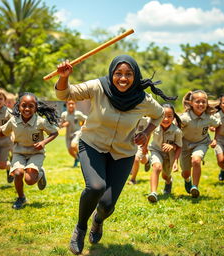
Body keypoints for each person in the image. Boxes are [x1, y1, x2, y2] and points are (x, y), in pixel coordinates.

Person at [55, 55, 177, 255]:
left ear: (135, 76)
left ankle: (97, 221)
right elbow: (65, 94)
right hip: (92, 144)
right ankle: (81, 228)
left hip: (123, 152)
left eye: (128, 74)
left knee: (107, 204)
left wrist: (146, 133)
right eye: (118, 73)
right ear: (111, 73)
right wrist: (63, 77)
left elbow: (159, 115)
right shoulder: (98, 87)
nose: (123, 78)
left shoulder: (143, 99)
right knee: (96, 187)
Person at [0, 92, 59, 209]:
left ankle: (40, 173)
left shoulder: (40, 121)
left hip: (36, 153)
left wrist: (43, 142)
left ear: (36, 107)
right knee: (18, 173)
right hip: (19, 152)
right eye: (24, 105)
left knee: (29, 180)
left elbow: (54, 132)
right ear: (18, 106)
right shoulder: (13, 120)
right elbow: (2, 133)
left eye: (31, 106)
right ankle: (21, 197)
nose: (27, 108)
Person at [179, 90, 221, 198]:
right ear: (191, 103)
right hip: (184, 145)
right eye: (197, 101)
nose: (201, 104)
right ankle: (188, 180)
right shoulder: (184, 118)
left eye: (204, 102)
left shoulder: (209, 117)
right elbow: (175, 130)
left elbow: (218, 125)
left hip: (201, 143)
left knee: (196, 160)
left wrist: (215, 139)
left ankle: (195, 187)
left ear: (207, 103)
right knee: (185, 173)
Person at [147, 104, 182, 202]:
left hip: (169, 156)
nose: (166, 119)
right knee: (157, 167)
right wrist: (145, 148)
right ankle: (153, 193)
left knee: (165, 175)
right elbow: (147, 134)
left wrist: (175, 162)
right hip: (156, 150)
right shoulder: (154, 125)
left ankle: (168, 181)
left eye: (169, 116)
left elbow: (179, 147)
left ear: (174, 117)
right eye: (163, 116)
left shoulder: (177, 131)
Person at [0, 88, 13, 183]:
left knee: (1, 166)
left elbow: (14, 126)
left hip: (5, 140)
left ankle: (9, 167)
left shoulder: (8, 112)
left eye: (0, 99)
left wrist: (13, 136)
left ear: (5, 101)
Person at [60, 100, 87, 167]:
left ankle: (81, 157)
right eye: (69, 104)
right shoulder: (64, 114)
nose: (71, 105)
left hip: (77, 133)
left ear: (75, 105)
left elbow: (86, 119)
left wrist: (83, 127)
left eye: (72, 104)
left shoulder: (78, 113)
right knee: (70, 151)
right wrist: (64, 124)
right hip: (68, 134)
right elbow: (61, 125)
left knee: (73, 145)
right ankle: (77, 158)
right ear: (66, 105)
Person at [127, 116, 151, 185]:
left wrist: (145, 146)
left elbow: (149, 133)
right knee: (142, 161)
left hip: (141, 142)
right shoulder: (132, 114)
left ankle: (133, 179)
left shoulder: (147, 120)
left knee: (136, 159)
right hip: (131, 140)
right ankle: (147, 159)